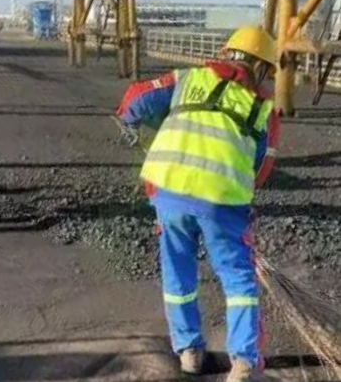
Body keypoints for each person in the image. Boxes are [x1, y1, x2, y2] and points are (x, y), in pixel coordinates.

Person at [116, 25, 281, 382]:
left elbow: (136, 99)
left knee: (178, 271)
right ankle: (244, 363)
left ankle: (189, 352)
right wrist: (241, 199)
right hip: (222, 201)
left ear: (227, 52)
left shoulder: (187, 79)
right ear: (261, 67)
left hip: (168, 192)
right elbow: (261, 168)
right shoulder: (262, 108)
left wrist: (130, 126)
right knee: (238, 279)